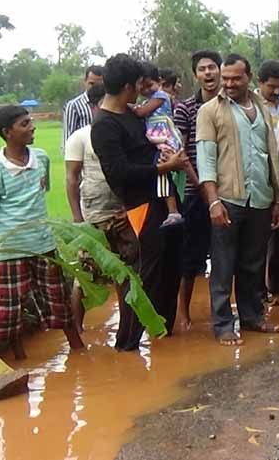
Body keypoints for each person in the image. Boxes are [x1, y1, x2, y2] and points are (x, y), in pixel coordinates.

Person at [0, 106, 85, 361]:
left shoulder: (40, 158)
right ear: (7, 132)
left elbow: (41, 192)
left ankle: (78, 350)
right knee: (8, 310)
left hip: (42, 244)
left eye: (30, 121)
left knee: (58, 301)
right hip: (9, 249)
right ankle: (8, 359)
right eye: (24, 123)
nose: (32, 127)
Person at [92, 53, 187, 351]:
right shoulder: (105, 126)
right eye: (140, 84)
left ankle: (163, 334)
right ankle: (127, 343)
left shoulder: (132, 114)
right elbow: (118, 173)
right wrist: (163, 168)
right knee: (143, 277)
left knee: (171, 267)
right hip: (140, 206)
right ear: (129, 86)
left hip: (162, 197)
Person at [196, 56, 279, 345]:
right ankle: (223, 325)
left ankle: (251, 317)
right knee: (222, 266)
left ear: (248, 77)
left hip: (260, 197)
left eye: (236, 78)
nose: (230, 84)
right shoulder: (210, 111)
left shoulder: (260, 106)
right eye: (227, 78)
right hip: (227, 198)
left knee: (253, 264)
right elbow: (206, 160)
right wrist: (213, 202)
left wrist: (277, 199)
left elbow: (270, 155)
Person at [64, 83, 125, 330]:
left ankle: (126, 325)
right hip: (93, 214)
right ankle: (77, 329)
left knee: (125, 272)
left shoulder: (121, 131)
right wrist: (78, 217)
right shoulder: (80, 137)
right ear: (94, 106)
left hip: (121, 211)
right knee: (86, 274)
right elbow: (71, 177)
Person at [172, 50, 222, 331]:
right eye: (202, 69)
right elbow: (181, 152)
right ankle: (183, 312)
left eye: (212, 67)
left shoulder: (230, 105)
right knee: (190, 257)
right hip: (194, 192)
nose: (208, 73)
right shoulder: (185, 108)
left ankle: (221, 310)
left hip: (226, 190)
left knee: (223, 254)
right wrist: (203, 186)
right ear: (196, 75)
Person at [131, 64, 199, 228]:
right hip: (159, 137)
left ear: (159, 82)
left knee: (164, 170)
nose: (146, 90)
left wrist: (127, 106)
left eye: (150, 85)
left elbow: (141, 113)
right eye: (143, 86)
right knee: (178, 164)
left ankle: (173, 210)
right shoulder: (151, 99)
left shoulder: (161, 96)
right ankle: (196, 189)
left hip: (165, 136)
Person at [255, 58, 279, 297]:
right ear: (259, 83)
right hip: (261, 177)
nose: (276, 91)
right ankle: (258, 290)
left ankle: (278, 286)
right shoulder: (251, 106)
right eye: (271, 86)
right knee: (259, 239)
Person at [62, 65, 104, 150]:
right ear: (85, 81)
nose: (95, 87)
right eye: (91, 83)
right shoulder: (74, 105)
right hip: (83, 156)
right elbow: (68, 138)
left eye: (99, 84)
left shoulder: (110, 104)